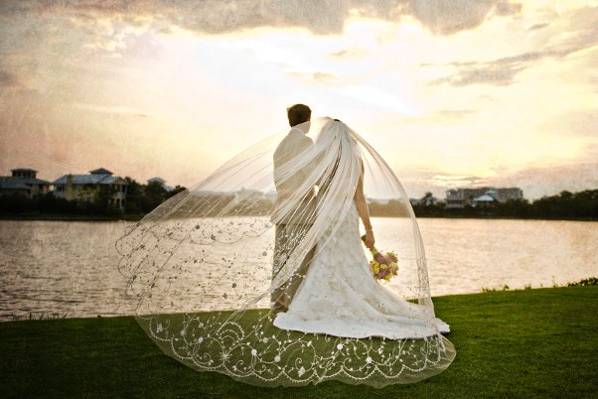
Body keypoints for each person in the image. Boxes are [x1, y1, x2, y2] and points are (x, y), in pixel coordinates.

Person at [271, 103, 317, 313]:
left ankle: (278, 304)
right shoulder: (305, 142)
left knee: (280, 259)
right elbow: (314, 174)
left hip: (282, 209)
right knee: (301, 259)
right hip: (302, 209)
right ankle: (297, 307)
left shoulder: (281, 146)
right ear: (307, 119)